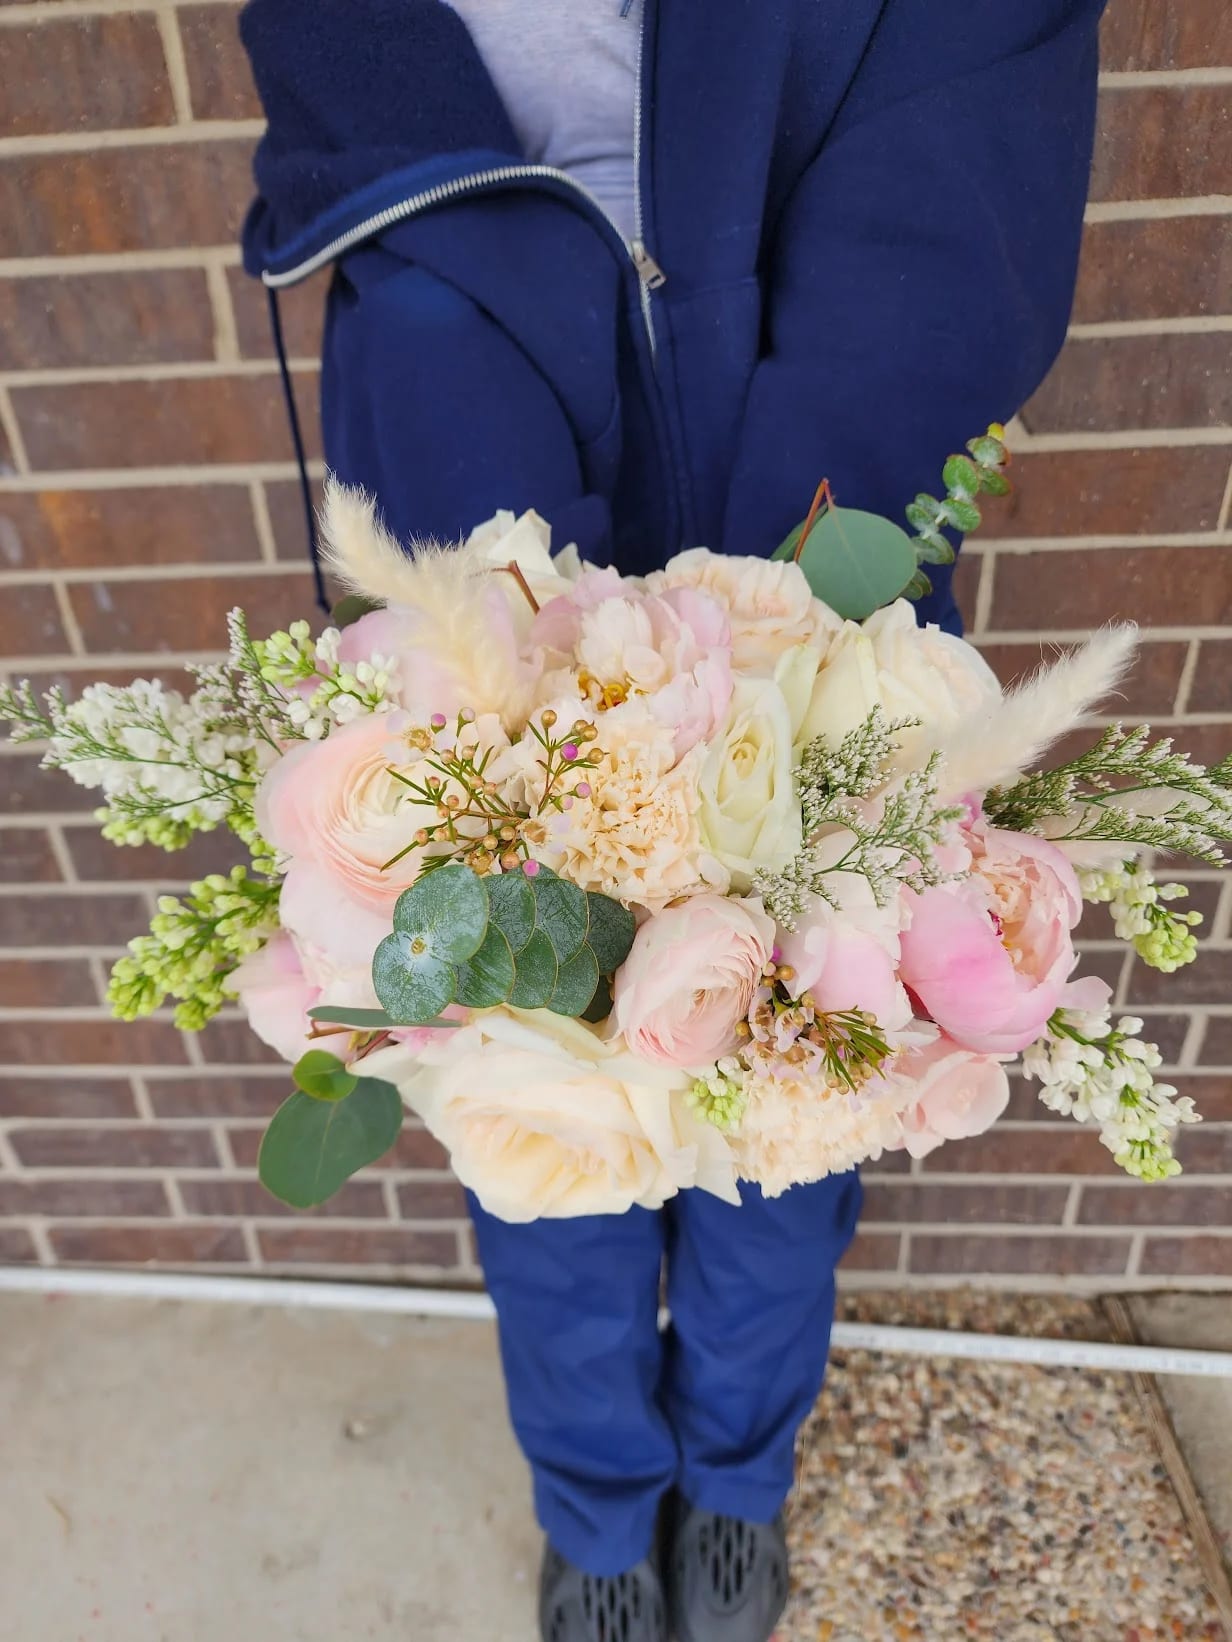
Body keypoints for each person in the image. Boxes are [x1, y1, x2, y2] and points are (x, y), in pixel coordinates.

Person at [239, 3, 1104, 1638]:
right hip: (479, 528)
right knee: (539, 1132)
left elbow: (950, 193)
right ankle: (593, 1504)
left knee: (789, 1119)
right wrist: (543, 684)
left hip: (815, 547)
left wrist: (756, 663)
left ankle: (736, 1479)